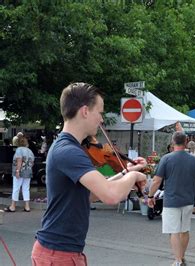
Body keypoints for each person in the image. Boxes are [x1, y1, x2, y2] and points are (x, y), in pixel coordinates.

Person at [32, 82, 147, 266]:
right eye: (100, 112)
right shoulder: (69, 151)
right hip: (59, 254)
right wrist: (132, 177)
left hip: (62, 252)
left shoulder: (69, 148)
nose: (101, 120)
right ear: (85, 111)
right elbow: (110, 195)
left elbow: (92, 193)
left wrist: (129, 172)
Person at [147, 131, 195, 266]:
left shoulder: (166, 159)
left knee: (173, 231)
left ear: (173, 142)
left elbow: (156, 181)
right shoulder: (194, 160)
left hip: (171, 201)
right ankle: (182, 257)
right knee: (184, 230)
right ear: (186, 142)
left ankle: (178, 260)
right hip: (188, 200)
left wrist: (150, 196)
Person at [4, 135, 35, 212]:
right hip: (28, 172)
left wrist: (18, 171)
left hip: (20, 172)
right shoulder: (30, 151)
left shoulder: (19, 150)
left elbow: (19, 160)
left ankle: (13, 206)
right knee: (26, 189)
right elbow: (32, 163)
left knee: (16, 188)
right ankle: (27, 207)